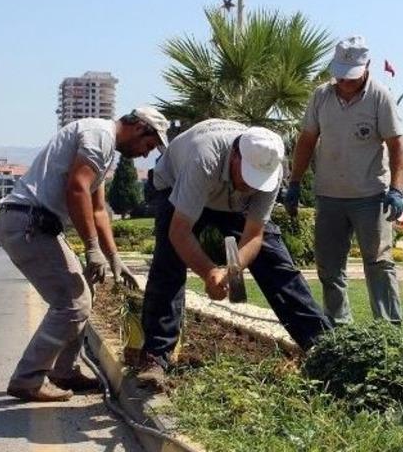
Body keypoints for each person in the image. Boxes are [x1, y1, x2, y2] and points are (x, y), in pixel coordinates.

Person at [0, 107, 169, 402]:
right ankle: (28, 379)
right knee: (73, 304)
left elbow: (98, 209)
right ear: (140, 128)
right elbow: (76, 188)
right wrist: (91, 247)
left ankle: (64, 372)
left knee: (85, 290)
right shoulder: (99, 135)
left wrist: (112, 256)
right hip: (29, 223)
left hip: (35, 224)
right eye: (149, 145)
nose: (144, 154)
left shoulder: (104, 148)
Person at [139, 118, 331, 379]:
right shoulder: (203, 159)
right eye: (249, 176)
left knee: (277, 265)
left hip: (231, 199)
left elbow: (254, 235)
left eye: (258, 181)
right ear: (235, 155)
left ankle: (323, 347)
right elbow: (179, 232)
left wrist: (232, 271)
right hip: (178, 184)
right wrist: (209, 272)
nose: (252, 186)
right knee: (169, 263)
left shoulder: (271, 169)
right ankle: (155, 357)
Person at [285, 36, 403, 325]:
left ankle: (388, 329)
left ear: (367, 67)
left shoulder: (380, 97)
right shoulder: (321, 96)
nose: (344, 82)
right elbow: (306, 140)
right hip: (329, 196)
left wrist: (397, 189)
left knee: (378, 263)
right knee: (329, 267)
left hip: (371, 196)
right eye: (339, 75)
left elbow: (397, 146)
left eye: (350, 76)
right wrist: (294, 182)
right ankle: (339, 326)